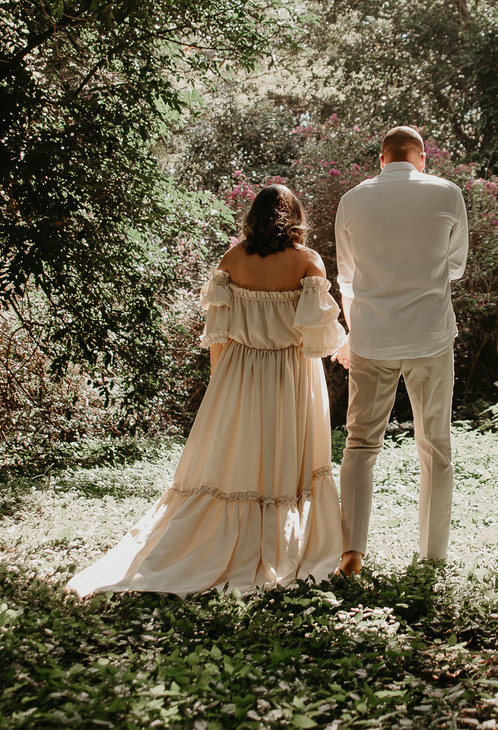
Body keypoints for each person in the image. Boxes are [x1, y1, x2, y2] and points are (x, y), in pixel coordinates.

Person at [66, 185, 346, 597]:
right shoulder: (308, 262)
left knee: (237, 456)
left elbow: (218, 333)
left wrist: (222, 383)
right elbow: (318, 339)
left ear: (253, 216)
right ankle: (279, 540)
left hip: (238, 370)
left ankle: (221, 538)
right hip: (290, 370)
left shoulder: (232, 259)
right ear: (296, 217)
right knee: (286, 455)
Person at [333, 126, 469, 576]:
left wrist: (357, 334)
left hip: (371, 337)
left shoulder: (352, 200)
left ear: (381, 158)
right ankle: (433, 557)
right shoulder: (447, 194)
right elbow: (455, 266)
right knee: (435, 445)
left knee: (360, 444)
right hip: (430, 336)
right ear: (422, 159)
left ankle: (352, 553)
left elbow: (347, 279)